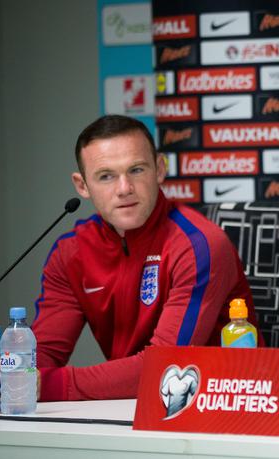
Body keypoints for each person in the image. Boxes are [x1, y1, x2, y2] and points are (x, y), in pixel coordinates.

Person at [33, 115, 261, 401]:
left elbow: (166, 367)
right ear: (82, 186)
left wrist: (51, 385)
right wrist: (15, 373)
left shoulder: (199, 245)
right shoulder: (70, 252)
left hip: (214, 409)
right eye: (106, 176)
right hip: (126, 406)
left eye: (137, 170)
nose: (124, 188)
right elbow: (42, 353)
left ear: (159, 169)